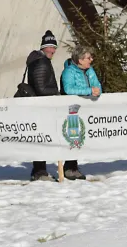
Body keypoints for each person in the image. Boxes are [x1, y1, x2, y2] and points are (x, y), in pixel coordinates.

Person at [58, 47, 101, 181]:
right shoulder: (69, 72)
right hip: (71, 110)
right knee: (73, 136)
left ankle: (74, 166)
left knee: (82, 137)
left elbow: (97, 86)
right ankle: (69, 168)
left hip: (88, 109)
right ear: (80, 60)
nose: (91, 60)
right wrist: (89, 91)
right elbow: (68, 89)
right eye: (89, 58)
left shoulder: (90, 71)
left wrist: (96, 91)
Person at [26, 30, 61, 182]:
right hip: (41, 106)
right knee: (41, 139)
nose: (52, 50)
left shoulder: (38, 61)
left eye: (54, 47)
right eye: (50, 47)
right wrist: (57, 92)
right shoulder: (41, 62)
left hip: (38, 106)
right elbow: (41, 89)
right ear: (43, 47)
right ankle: (40, 172)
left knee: (40, 138)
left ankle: (39, 170)